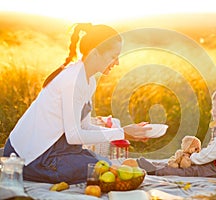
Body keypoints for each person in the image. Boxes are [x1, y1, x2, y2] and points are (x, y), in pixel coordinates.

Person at [3, 23, 151, 184]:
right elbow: (74, 136)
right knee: (101, 170)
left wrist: (126, 133)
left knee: (104, 165)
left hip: (55, 147)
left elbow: (84, 127)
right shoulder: (73, 80)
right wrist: (121, 133)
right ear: (95, 53)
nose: (117, 62)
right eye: (113, 56)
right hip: (30, 157)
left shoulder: (89, 80)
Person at [137, 86, 216, 182]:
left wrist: (193, 158)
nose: (213, 110)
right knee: (193, 165)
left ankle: (156, 171)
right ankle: (158, 165)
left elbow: (211, 153)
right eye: (213, 106)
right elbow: (214, 150)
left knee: (193, 170)